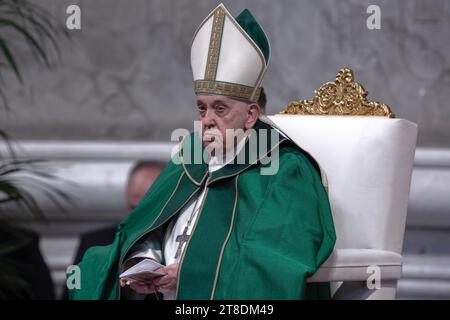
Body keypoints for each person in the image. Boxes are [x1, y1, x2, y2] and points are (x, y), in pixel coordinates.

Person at [69, 4, 335, 300]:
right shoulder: (191, 156)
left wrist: (190, 273)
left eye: (220, 108)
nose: (206, 119)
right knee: (93, 262)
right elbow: (148, 225)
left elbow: (275, 261)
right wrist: (143, 261)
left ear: (250, 115)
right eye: (202, 107)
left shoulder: (284, 168)